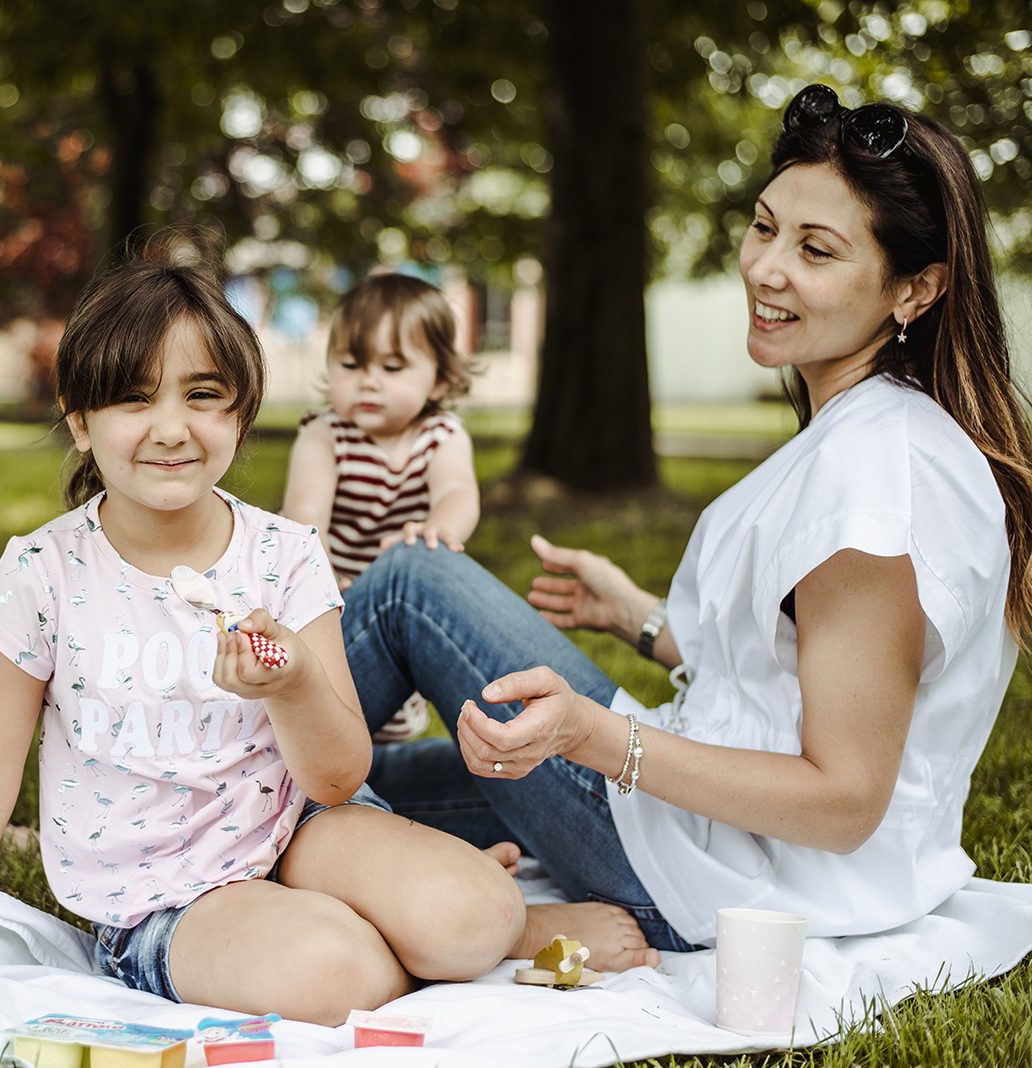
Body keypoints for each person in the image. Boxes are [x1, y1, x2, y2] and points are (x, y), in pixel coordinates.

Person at [352, 83, 1032, 956]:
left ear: (915, 289)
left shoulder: (873, 483)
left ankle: (195, 807)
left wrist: (596, 736)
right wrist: (634, 618)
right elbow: (796, 677)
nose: (766, 268)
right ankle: (245, 826)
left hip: (709, 872)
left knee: (416, 586)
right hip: (714, 842)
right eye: (764, 227)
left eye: (816, 251)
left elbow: (843, 800)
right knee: (380, 783)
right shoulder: (882, 432)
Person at [0, 235, 546, 1025]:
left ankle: (464, 931)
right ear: (79, 421)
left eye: (202, 395)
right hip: (161, 897)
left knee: (478, 914)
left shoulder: (284, 555)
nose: (172, 428)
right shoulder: (44, 574)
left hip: (298, 830)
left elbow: (337, 778)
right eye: (134, 398)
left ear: (242, 416)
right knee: (333, 972)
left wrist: (293, 683)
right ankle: (398, 942)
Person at [282, 274, 481, 742]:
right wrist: (323, 580)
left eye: (392, 368)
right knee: (332, 700)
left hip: (398, 611)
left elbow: (458, 493)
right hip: (335, 602)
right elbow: (304, 519)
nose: (369, 382)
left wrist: (438, 527)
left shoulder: (442, 436)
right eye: (352, 364)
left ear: (441, 379)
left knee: (392, 726)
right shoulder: (325, 434)